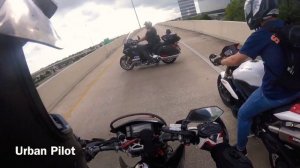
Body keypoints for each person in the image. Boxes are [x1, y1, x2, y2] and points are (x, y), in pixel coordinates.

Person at [211, 0, 300, 155]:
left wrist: (221, 60)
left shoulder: (260, 34)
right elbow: (276, 49)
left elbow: (235, 60)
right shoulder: (288, 26)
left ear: (257, 11)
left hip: (276, 93)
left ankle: (240, 149)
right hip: (296, 86)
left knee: (243, 114)